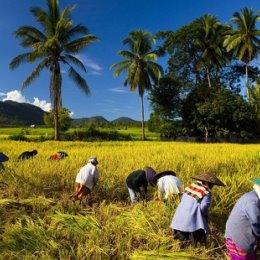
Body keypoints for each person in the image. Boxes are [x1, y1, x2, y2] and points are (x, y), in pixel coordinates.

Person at [170, 172, 225, 247]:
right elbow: (204, 205)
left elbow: (183, 199)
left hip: (179, 215)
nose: (212, 186)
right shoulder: (206, 191)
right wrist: (203, 214)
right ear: (208, 183)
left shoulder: (191, 187)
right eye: (212, 184)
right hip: (192, 217)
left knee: (181, 241)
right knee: (195, 237)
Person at [225, 178, 260, 260]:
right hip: (240, 237)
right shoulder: (252, 200)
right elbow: (256, 222)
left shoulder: (252, 195)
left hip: (234, 233)